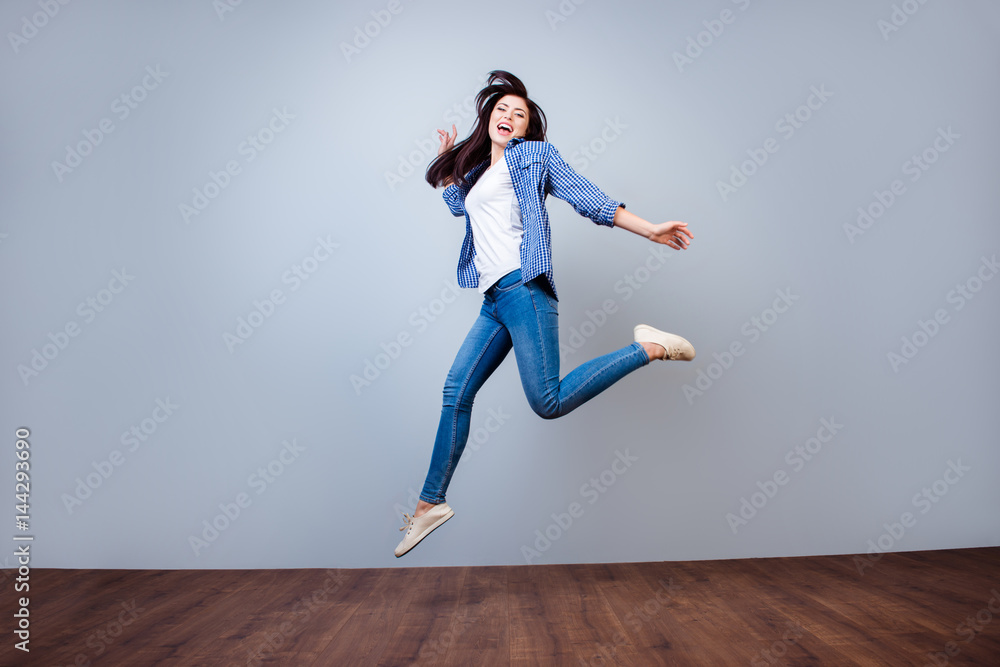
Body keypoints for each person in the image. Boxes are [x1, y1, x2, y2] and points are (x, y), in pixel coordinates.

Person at [395, 70, 695, 557]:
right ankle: (431, 503)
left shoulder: (534, 157)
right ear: (487, 118)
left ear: (528, 127)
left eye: (520, 113)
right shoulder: (477, 176)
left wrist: (650, 229)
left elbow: (588, 198)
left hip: (524, 288)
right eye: (501, 110)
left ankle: (650, 347)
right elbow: (457, 204)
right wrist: (449, 157)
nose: (509, 117)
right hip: (494, 299)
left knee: (548, 401)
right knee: (455, 391)